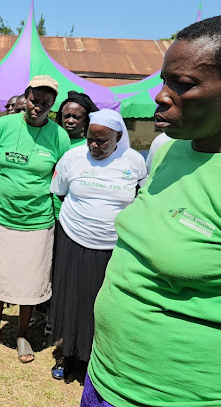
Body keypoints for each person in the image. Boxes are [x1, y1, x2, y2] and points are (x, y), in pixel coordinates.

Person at [85, 14, 221, 406]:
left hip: (196, 397)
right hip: (107, 383)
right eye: (164, 80)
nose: (161, 95)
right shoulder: (172, 149)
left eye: (183, 83)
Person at [0, 75, 69, 363]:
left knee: (30, 280)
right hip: (4, 217)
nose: (37, 107)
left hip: (38, 221)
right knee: (0, 275)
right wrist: (5, 187)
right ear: (25, 97)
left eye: (45, 103)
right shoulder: (3, 125)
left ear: (52, 105)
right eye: (33, 100)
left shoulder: (59, 136)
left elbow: (61, 175)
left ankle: (22, 333)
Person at [49, 109, 146, 382]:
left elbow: (141, 200)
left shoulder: (134, 161)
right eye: (90, 139)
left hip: (114, 247)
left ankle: (98, 361)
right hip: (74, 238)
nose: (94, 145)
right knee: (73, 301)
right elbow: (58, 193)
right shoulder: (72, 158)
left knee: (103, 304)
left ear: (118, 136)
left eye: (102, 141)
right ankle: (68, 355)